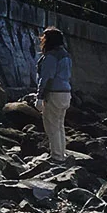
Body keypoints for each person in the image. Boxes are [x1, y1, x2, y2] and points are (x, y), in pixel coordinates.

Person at [36, 27, 72, 160]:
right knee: (59, 125)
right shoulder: (66, 55)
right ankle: (61, 153)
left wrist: (39, 97)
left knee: (51, 126)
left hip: (54, 94)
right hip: (66, 93)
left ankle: (56, 156)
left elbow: (46, 78)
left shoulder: (51, 56)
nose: (42, 40)